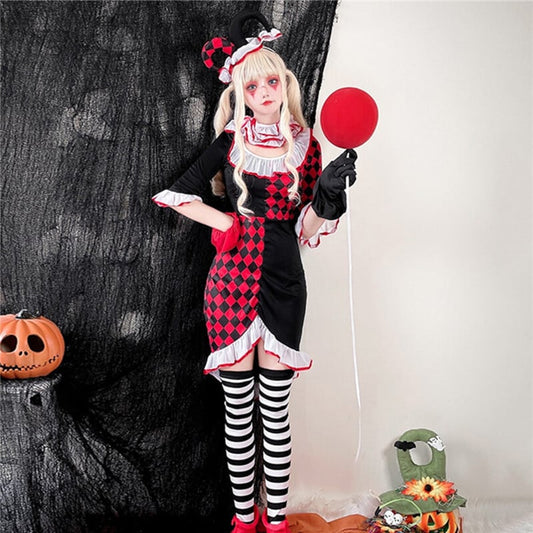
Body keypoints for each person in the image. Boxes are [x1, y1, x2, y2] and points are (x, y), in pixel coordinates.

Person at [152, 10, 356, 533]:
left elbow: (307, 227)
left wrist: (328, 195)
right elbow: (175, 193)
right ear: (239, 92)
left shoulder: (306, 144)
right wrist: (225, 219)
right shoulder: (230, 141)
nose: (264, 92)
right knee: (238, 412)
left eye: (271, 81)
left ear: (284, 84)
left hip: (285, 283)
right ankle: (245, 521)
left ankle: (277, 522)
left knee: (276, 412)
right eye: (252, 85)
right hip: (231, 282)